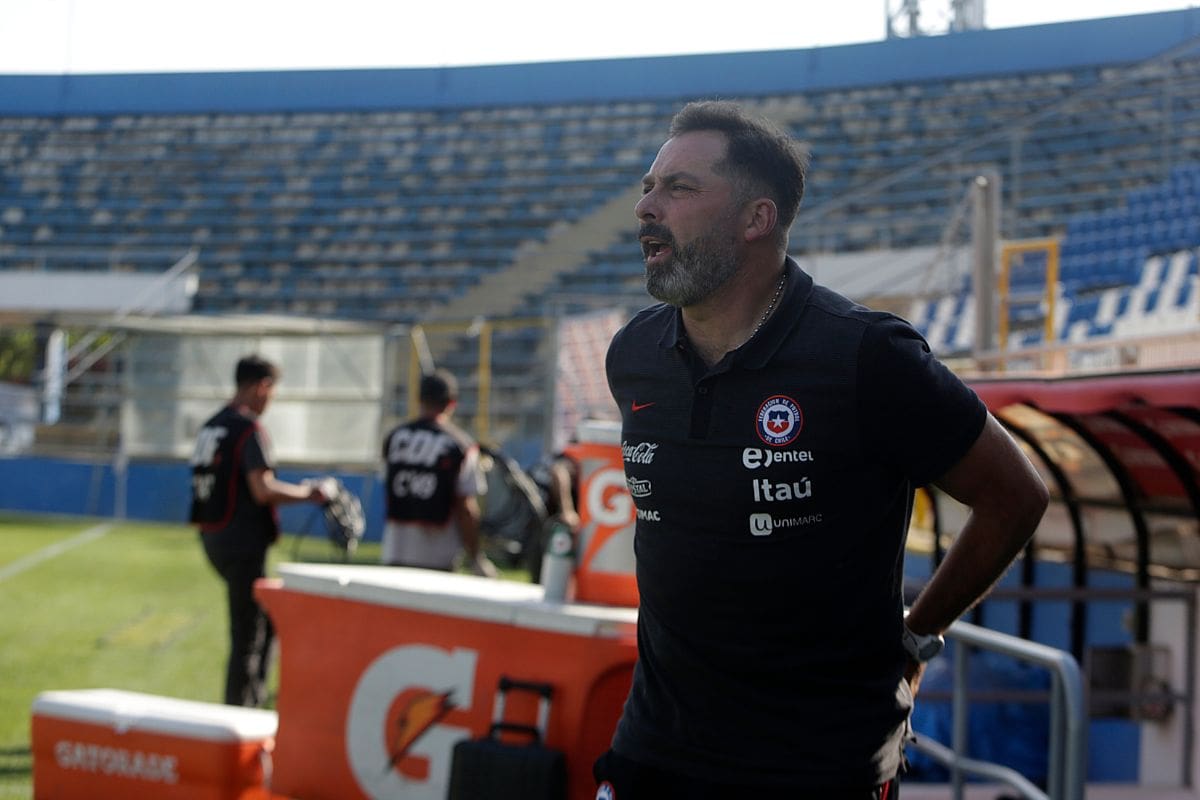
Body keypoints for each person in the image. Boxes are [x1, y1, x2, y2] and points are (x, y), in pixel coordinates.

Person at [595, 100, 1049, 798]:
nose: (646, 207)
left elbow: (1015, 496)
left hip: (818, 767)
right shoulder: (634, 353)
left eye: (679, 188)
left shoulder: (865, 355)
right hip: (654, 750)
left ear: (757, 218)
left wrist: (919, 635)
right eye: (648, 187)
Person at [189, 354, 330, 707]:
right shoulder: (248, 429)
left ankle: (253, 701)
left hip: (214, 536)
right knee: (248, 636)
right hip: (242, 542)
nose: (270, 400)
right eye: (271, 391)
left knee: (265, 626)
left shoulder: (212, 425)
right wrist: (310, 493)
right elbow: (263, 489)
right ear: (261, 387)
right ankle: (239, 713)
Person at [381, 369, 496, 577]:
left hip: (395, 550)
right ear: (452, 403)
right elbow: (466, 508)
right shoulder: (460, 445)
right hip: (438, 557)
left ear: (419, 399)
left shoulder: (394, 437)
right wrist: (475, 557)